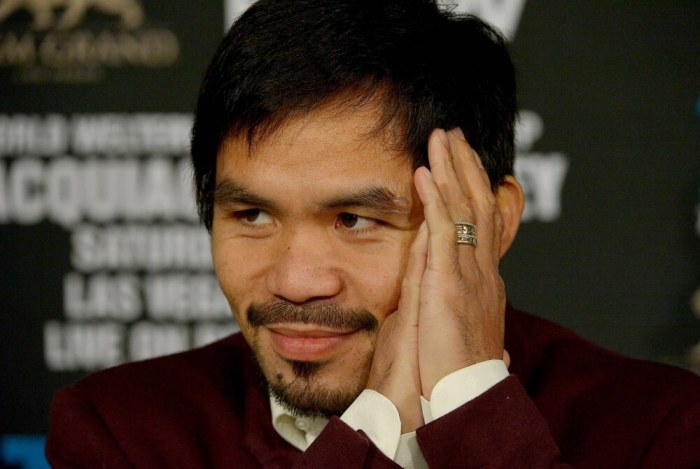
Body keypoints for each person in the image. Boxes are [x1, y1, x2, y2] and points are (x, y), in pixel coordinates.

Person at [46, 0, 700, 467]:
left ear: (490, 221)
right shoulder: (121, 433)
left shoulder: (660, 428)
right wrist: (373, 429)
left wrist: (470, 408)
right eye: (251, 216)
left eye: (355, 220)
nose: (297, 281)